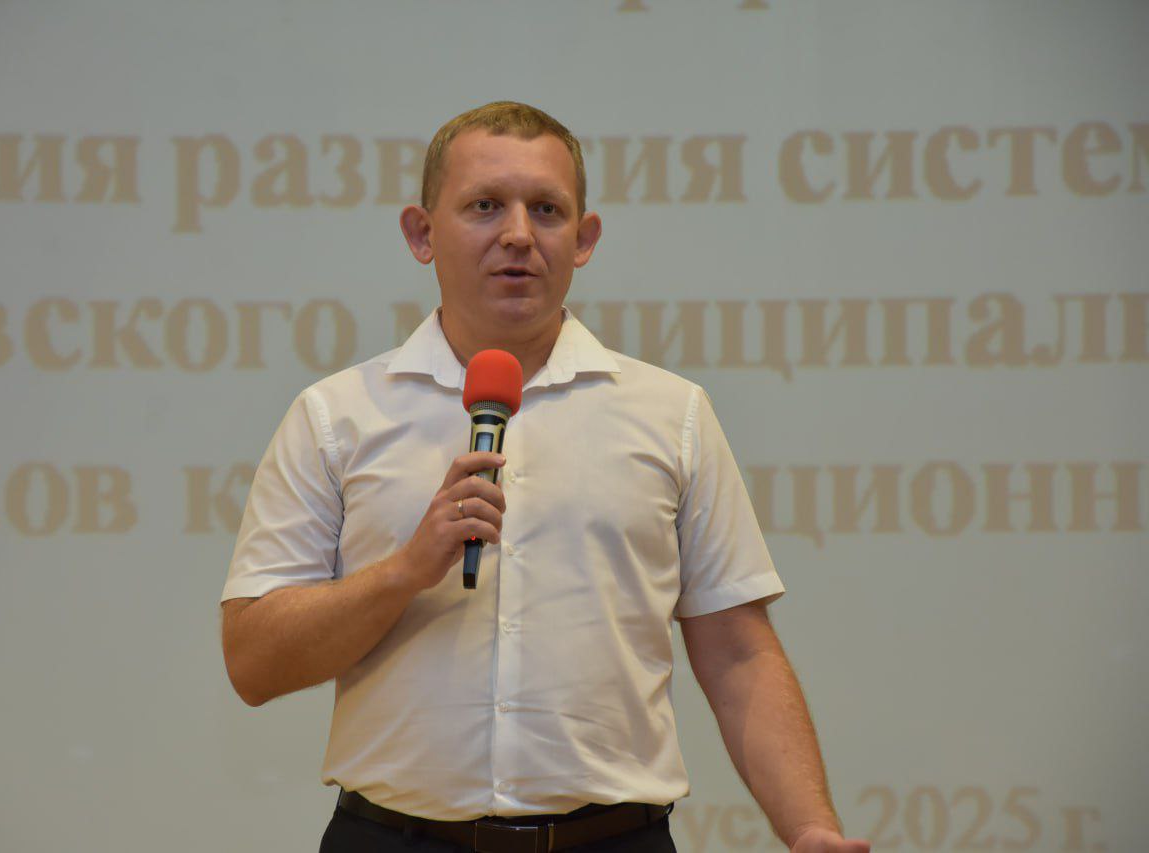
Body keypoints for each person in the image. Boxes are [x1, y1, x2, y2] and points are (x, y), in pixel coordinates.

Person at [219, 101, 870, 853]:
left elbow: (737, 652)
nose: (519, 235)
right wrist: (404, 571)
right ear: (421, 233)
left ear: (584, 239)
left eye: (547, 210)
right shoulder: (335, 416)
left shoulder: (671, 414)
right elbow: (254, 663)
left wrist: (809, 828)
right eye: (485, 206)